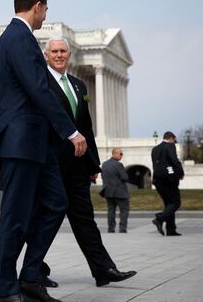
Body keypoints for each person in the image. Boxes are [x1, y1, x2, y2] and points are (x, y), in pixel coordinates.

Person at [0, 0, 87, 302]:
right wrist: (70, 131)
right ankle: (5, 289)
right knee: (14, 218)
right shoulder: (18, 38)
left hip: (36, 143)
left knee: (57, 202)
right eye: (46, 9)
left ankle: (31, 275)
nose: (46, 15)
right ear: (37, 5)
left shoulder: (19, 39)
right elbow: (38, 89)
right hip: (21, 140)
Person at [40, 38, 136, 287]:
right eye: (55, 52)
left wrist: (93, 166)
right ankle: (35, 269)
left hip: (77, 167)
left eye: (63, 51)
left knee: (85, 219)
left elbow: (86, 128)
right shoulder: (40, 82)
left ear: (69, 54)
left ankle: (104, 269)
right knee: (44, 218)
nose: (59, 55)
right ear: (46, 54)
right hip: (50, 164)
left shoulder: (78, 85)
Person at [151, 131, 184, 236]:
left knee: (169, 204)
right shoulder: (170, 146)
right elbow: (174, 160)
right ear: (171, 138)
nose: (174, 142)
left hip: (158, 180)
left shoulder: (155, 149)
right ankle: (159, 219)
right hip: (169, 180)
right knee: (175, 202)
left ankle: (170, 229)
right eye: (174, 140)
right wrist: (181, 172)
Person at [101, 147, 130, 233]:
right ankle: (122, 228)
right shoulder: (118, 165)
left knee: (111, 210)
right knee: (124, 210)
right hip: (120, 192)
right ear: (114, 154)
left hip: (108, 191)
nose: (122, 155)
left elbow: (103, 177)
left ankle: (111, 228)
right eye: (120, 154)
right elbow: (125, 177)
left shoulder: (104, 164)